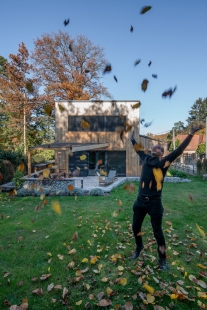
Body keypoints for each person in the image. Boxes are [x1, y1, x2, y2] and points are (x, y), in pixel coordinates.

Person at [130, 126, 201, 271]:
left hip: (154, 203)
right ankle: (139, 247)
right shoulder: (145, 158)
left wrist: (191, 134)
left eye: (158, 147)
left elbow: (179, 150)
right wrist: (132, 139)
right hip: (140, 201)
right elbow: (137, 149)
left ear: (162, 153)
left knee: (158, 232)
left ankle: (162, 259)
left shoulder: (165, 162)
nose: (155, 147)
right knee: (135, 227)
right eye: (153, 147)